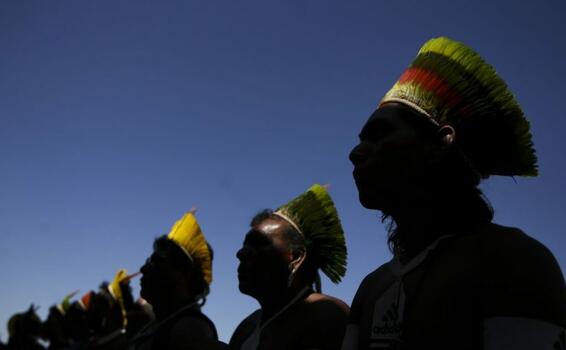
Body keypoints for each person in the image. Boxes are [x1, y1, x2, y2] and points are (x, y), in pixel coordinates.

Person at [345, 36, 566, 349]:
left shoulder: (513, 261)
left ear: (441, 142)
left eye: (379, 135)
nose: (356, 153)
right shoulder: (371, 288)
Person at [230, 184, 350, 350]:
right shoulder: (246, 328)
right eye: (245, 245)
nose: (241, 253)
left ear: (296, 257)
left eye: (258, 244)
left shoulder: (325, 315)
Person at [130, 210, 227, 350]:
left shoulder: (190, 331)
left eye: (156, 262)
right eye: (148, 261)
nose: (143, 269)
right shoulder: (154, 326)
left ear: (183, 272)